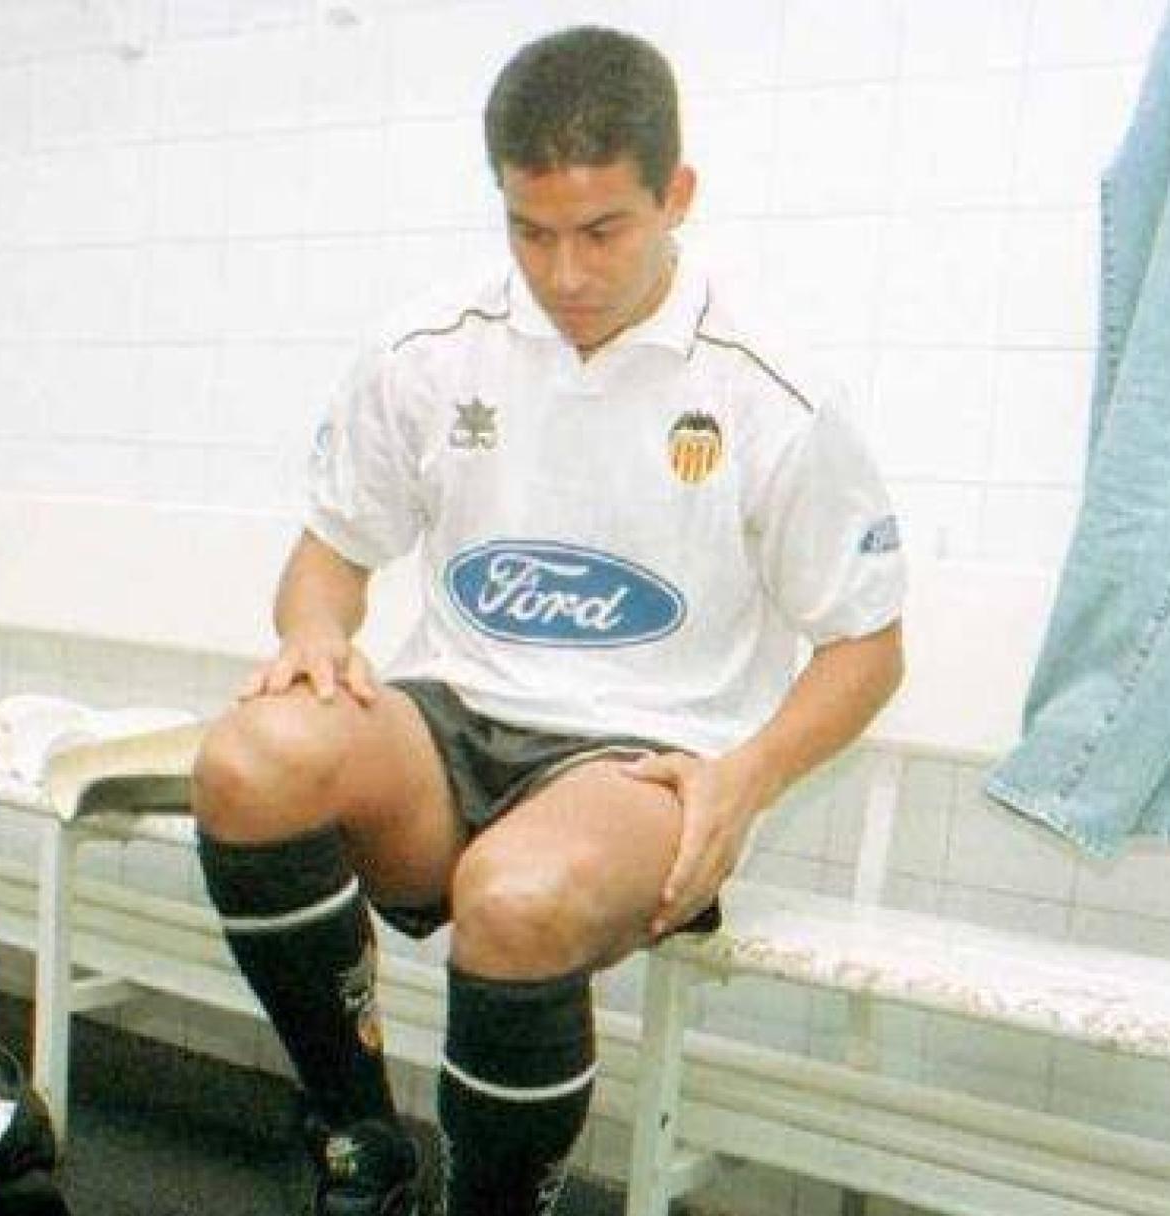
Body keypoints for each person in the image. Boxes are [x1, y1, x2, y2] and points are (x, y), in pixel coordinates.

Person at [191, 26, 906, 1216]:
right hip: (452, 727)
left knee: (515, 899)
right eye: (530, 232)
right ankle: (361, 1139)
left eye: (602, 232)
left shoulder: (771, 391)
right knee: (247, 759)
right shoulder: (429, 348)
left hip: (642, 760)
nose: (564, 272)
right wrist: (313, 630)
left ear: (677, 196)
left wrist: (747, 778)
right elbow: (331, 553)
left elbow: (868, 648)